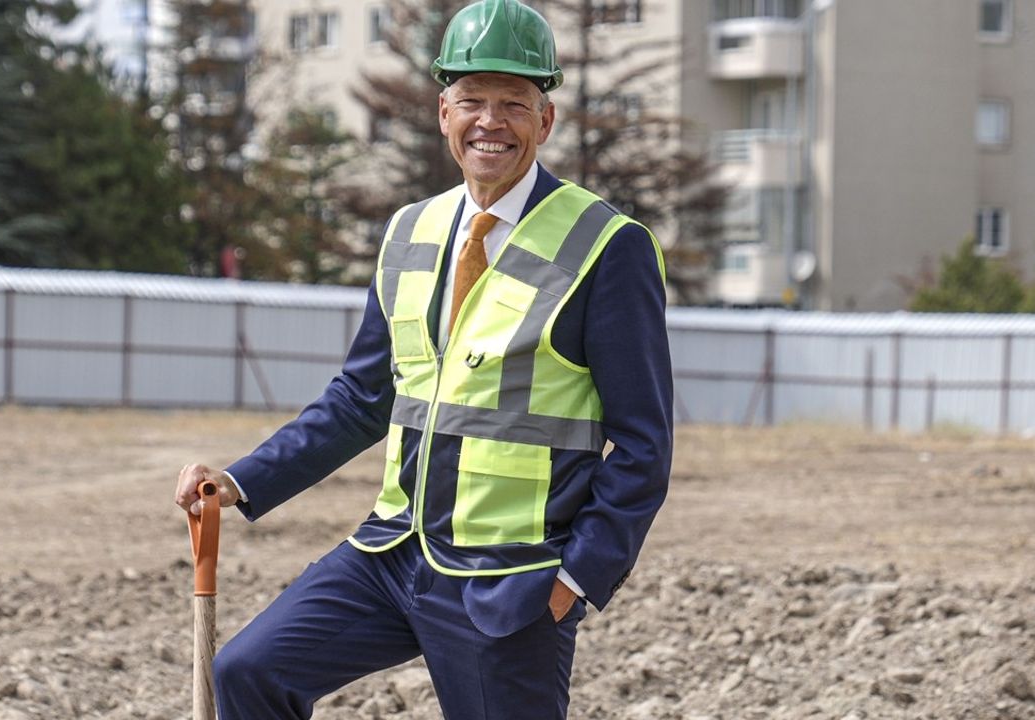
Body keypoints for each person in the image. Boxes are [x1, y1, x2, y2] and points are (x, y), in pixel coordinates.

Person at [173, 0, 673, 717]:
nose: (490, 122)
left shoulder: (606, 246)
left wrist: (579, 577)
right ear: (444, 112)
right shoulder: (411, 230)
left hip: (510, 580)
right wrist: (241, 482)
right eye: (472, 101)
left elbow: (644, 443)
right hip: (390, 554)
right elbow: (362, 398)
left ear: (546, 119)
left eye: (514, 104)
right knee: (248, 673)